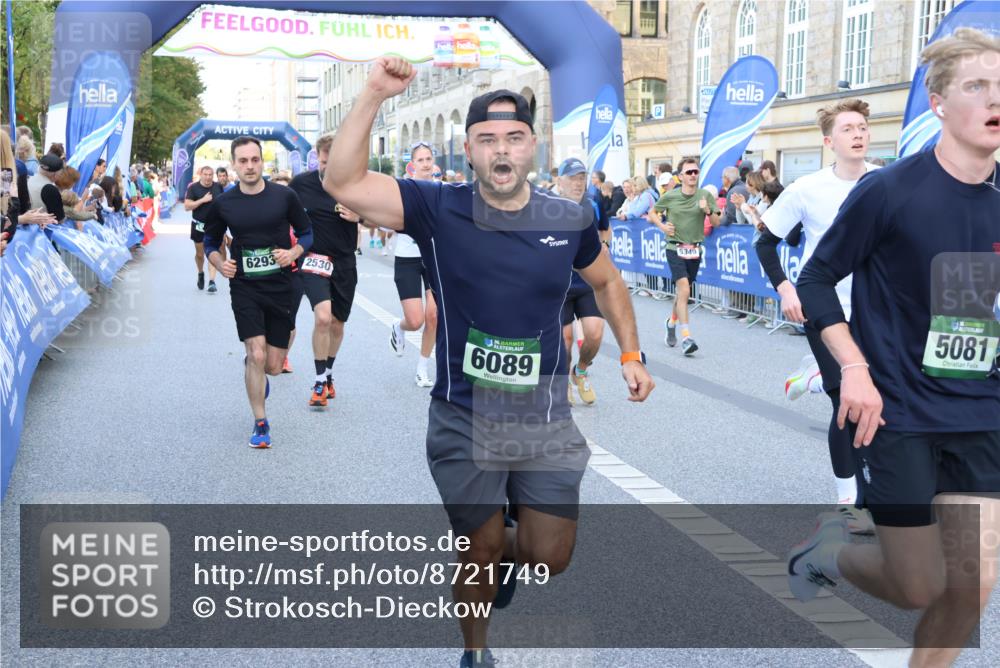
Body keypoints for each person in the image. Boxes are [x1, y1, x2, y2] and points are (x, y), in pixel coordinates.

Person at [324, 57, 654, 668]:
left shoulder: (569, 217)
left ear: (533, 145)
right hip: (463, 415)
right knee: (476, 552)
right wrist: (373, 93)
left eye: (514, 138)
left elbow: (608, 282)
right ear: (469, 150)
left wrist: (630, 353)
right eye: (487, 140)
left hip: (544, 421)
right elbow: (342, 182)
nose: (501, 151)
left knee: (547, 558)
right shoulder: (435, 207)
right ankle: (476, 652)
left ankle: (506, 545)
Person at [788, 29, 1000, 665]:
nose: (996, 98)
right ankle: (831, 550)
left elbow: (972, 303)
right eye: (977, 86)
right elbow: (817, 279)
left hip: (981, 413)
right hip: (899, 410)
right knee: (918, 587)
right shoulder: (888, 191)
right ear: (937, 102)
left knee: (972, 588)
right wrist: (853, 368)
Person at [758, 97, 880, 530]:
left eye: (863, 127)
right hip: (824, 309)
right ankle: (850, 498)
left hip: (876, 311)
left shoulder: (886, 182)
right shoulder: (806, 189)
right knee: (845, 404)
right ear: (830, 142)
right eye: (848, 129)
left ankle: (810, 377)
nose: (858, 134)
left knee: (877, 400)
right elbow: (765, 241)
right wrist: (786, 288)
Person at [203, 137, 313, 448]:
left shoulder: (284, 196)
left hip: (280, 285)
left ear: (261, 161)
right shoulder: (223, 203)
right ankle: (261, 422)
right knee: (257, 353)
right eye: (243, 161)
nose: (249, 166)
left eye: (254, 160)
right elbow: (210, 242)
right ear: (234, 164)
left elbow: (306, 232)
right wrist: (219, 263)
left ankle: (255, 369)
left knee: (273, 367)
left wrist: (294, 253)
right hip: (244, 286)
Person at [288, 133, 363, 406]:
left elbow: (381, 216)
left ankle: (328, 374)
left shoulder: (355, 184)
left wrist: (360, 217)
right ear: (317, 158)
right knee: (322, 317)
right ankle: (319, 381)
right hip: (314, 258)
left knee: (337, 324)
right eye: (323, 161)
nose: (327, 168)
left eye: (333, 163)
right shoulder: (301, 185)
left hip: (345, 261)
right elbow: (280, 211)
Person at [647, 157, 721, 356]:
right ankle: (687, 337)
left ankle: (671, 322)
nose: (693, 175)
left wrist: (707, 210)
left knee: (683, 293)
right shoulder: (671, 196)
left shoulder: (705, 195)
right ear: (680, 176)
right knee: (684, 289)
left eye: (696, 171)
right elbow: (652, 212)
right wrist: (662, 226)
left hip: (695, 249)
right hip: (674, 248)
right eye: (689, 172)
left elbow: (716, 222)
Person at [557, 157, 610, 406]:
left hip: (588, 280)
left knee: (595, 334)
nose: (578, 183)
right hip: (560, 284)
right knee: (565, 340)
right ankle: (564, 381)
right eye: (573, 178)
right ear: (560, 181)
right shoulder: (548, 206)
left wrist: (605, 245)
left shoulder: (593, 203)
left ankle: (581, 369)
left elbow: (605, 229)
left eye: (582, 178)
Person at [388, 142, 439, 388]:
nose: (426, 164)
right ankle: (399, 327)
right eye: (421, 160)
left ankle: (422, 367)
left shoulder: (443, 189)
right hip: (406, 259)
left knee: (433, 315)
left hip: (434, 258)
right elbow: (387, 221)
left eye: (429, 159)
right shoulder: (402, 190)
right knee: (415, 320)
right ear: (413, 165)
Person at [184, 165, 224, 293]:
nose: (208, 177)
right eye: (205, 174)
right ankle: (201, 273)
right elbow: (187, 206)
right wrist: (202, 200)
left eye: (210, 175)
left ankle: (212, 281)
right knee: (200, 255)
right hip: (198, 225)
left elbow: (223, 205)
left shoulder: (218, 187)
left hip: (214, 226)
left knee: (212, 252)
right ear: (201, 175)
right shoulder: (193, 188)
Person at [26, 154, 66, 223]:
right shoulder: (50, 189)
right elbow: (59, 219)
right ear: (55, 175)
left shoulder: (28, 179)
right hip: (42, 229)